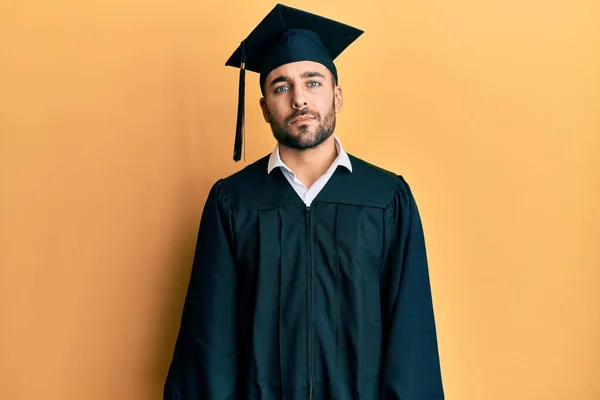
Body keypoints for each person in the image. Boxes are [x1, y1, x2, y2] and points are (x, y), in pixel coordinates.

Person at [164, 3, 444, 399]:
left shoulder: (386, 198)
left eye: (313, 82)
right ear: (264, 107)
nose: (299, 99)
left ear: (337, 95)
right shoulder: (233, 202)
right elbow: (210, 337)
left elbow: (411, 335)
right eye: (282, 86)